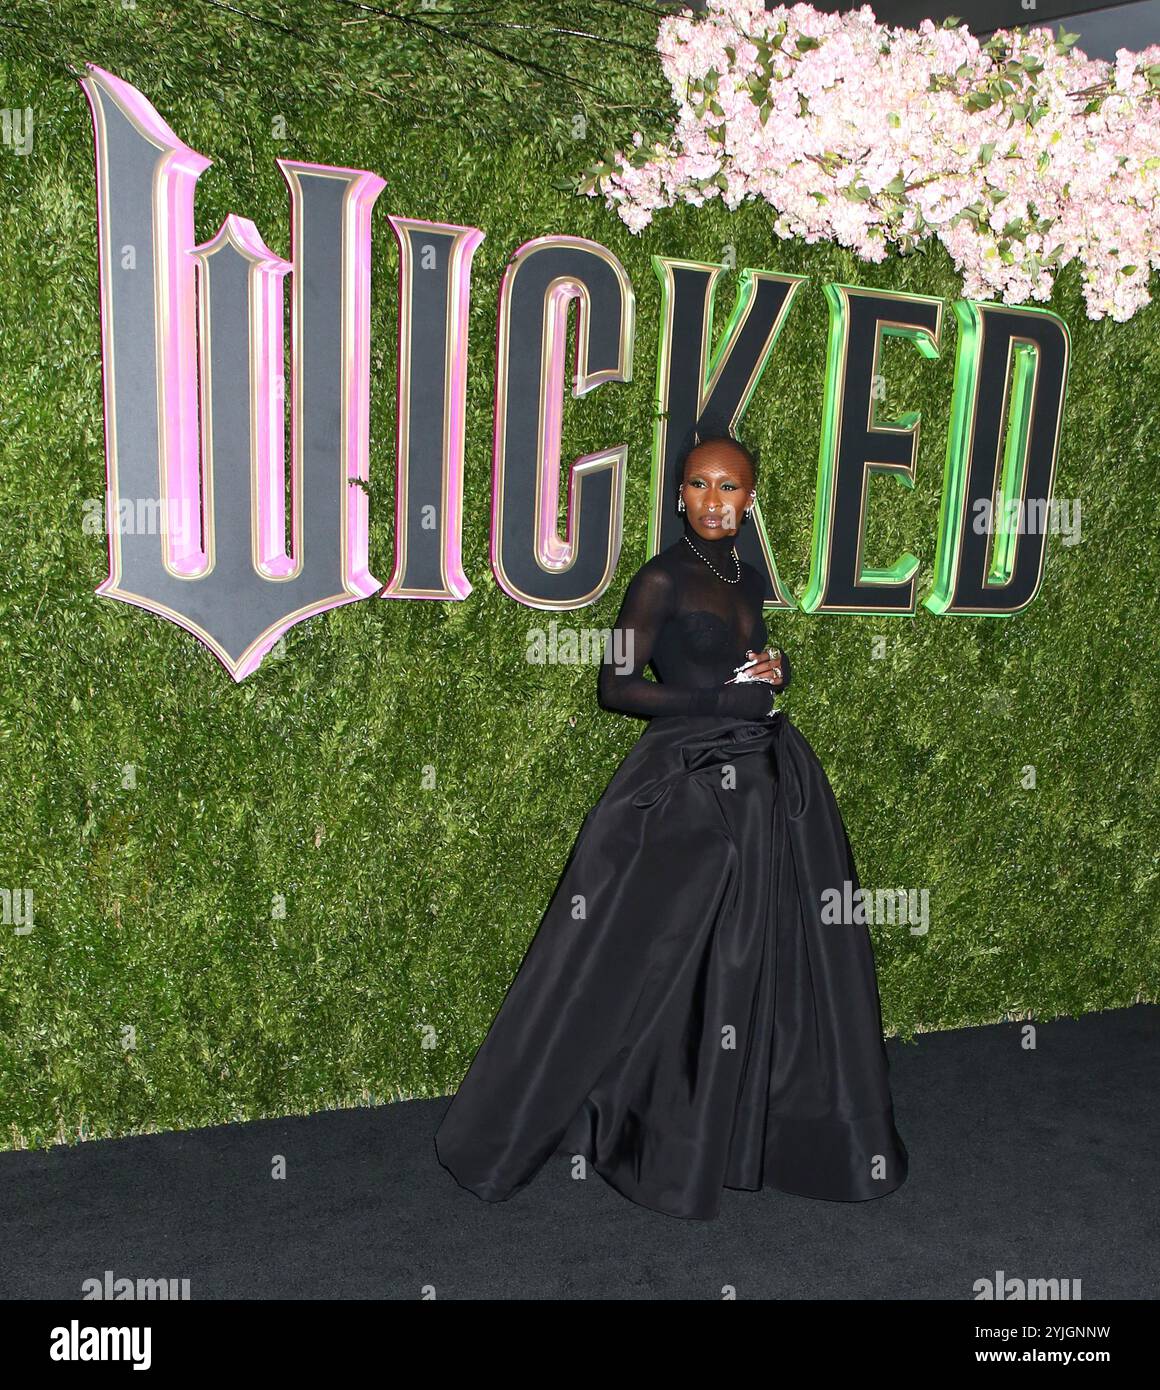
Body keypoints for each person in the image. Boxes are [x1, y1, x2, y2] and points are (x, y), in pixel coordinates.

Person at [434, 433, 908, 1220]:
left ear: (750, 500)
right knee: (663, 962)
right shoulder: (659, 579)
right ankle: (645, 1125)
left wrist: (771, 667)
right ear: (679, 494)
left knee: (761, 959)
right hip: (688, 787)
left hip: (768, 780)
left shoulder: (748, 576)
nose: (714, 501)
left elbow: (744, 654)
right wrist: (717, 703)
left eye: (730, 488)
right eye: (699, 486)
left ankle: (748, 1126)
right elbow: (615, 686)